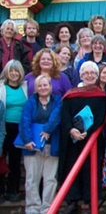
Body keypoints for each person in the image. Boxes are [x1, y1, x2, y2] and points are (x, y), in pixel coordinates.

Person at [58, 61, 106, 214]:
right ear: (81, 75)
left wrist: (89, 131)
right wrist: (71, 130)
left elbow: (101, 116)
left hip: (92, 138)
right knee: (71, 166)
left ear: (97, 75)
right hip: (72, 139)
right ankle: (72, 201)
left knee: (89, 169)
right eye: (86, 73)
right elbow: (65, 115)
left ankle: (88, 201)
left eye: (93, 73)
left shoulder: (101, 96)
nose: (89, 75)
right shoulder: (71, 95)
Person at [19, 75, 61, 214]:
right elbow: (24, 121)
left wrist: (47, 130)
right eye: (40, 86)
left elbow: (57, 116)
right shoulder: (31, 102)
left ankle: (47, 209)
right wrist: (27, 140)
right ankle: (32, 208)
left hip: (51, 145)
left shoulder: (57, 101)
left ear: (50, 86)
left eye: (45, 85)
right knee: (32, 179)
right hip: (32, 146)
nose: (43, 88)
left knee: (50, 179)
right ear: (36, 88)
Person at [0, 60, 27, 203]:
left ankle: (13, 191)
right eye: (11, 71)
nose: (14, 73)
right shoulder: (1, 87)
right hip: (3, 129)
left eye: (16, 71)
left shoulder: (25, 87)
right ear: (7, 72)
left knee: (15, 162)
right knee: (1, 159)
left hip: (19, 129)